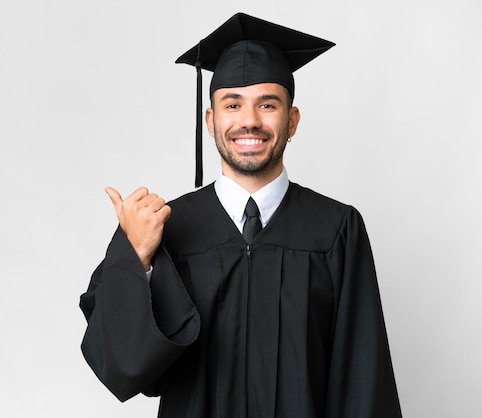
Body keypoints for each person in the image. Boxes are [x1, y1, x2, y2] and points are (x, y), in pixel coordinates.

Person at [79, 12, 402, 418]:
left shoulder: (336, 229)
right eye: (232, 104)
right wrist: (136, 258)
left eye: (268, 104)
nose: (249, 120)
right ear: (211, 121)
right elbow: (123, 369)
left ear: (292, 120)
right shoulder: (164, 228)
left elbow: (363, 382)